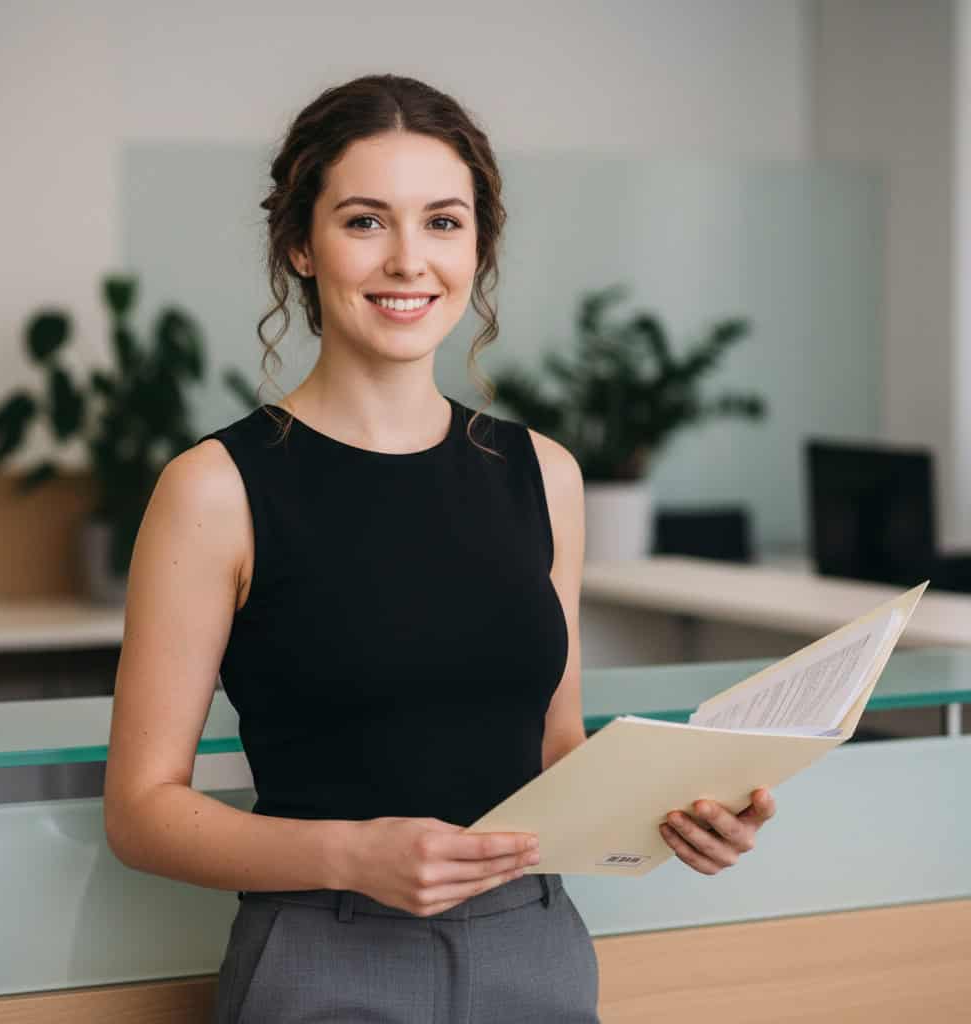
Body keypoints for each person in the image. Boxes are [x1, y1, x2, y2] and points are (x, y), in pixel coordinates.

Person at [103, 72, 776, 1023]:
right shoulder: (214, 488)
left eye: (444, 223)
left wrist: (671, 820)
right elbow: (140, 811)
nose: (409, 260)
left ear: (479, 247)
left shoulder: (545, 473)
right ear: (301, 244)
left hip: (536, 947)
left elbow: (555, 750)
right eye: (367, 221)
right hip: (324, 954)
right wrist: (351, 855)